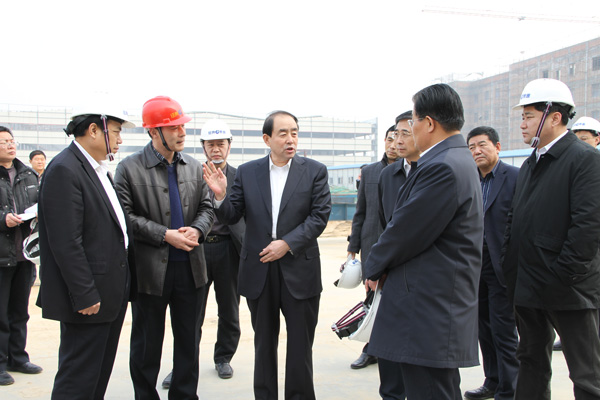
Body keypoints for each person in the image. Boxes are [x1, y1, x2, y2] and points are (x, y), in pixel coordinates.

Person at [365, 84, 483, 400]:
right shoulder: (454, 158)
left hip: (428, 306)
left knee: (430, 391)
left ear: (429, 123)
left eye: (414, 121)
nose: (410, 129)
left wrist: (372, 267)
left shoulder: (442, 166)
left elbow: (404, 230)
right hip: (433, 302)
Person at [203, 110, 331, 400]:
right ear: (267, 138)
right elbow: (232, 214)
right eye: (283, 133)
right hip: (260, 267)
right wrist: (220, 195)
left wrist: (287, 243)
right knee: (263, 345)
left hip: (300, 268)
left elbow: (319, 216)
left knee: (300, 346)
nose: (290, 139)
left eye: (294, 133)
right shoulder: (248, 172)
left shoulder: (315, 171)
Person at [502, 78, 600, 400]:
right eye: (522, 117)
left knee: (587, 374)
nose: (522, 124)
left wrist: (563, 276)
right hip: (527, 286)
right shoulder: (531, 163)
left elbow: (588, 226)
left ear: (555, 117)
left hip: (569, 289)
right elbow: (515, 219)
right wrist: (509, 265)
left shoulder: (585, 159)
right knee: (530, 363)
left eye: (529, 116)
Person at [114, 96, 214, 400]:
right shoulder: (129, 169)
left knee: (188, 342)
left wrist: (197, 229)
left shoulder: (194, 167)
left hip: (191, 270)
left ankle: (185, 395)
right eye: (173, 128)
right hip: (150, 272)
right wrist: (164, 235)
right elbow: (124, 217)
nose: (182, 133)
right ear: (153, 131)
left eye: (182, 126)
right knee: (146, 344)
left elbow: (208, 207)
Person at [37, 107, 136, 399]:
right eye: (116, 132)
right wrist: (84, 294)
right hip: (89, 298)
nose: (120, 140)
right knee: (78, 379)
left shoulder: (96, 169)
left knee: (97, 375)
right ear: (94, 130)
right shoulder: (65, 170)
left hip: (109, 293)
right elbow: (66, 242)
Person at [161, 119, 245, 388]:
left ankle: (223, 357)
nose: (216, 149)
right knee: (190, 311)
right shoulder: (189, 173)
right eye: (211, 144)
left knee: (229, 308)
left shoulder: (241, 177)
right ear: (203, 147)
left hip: (228, 249)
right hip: (196, 248)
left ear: (229, 146)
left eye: (221, 144)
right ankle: (183, 366)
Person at [464, 126, 519, 400]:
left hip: (502, 265)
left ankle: (510, 389)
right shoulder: (468, 180)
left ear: (497, 147)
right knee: (483, 328)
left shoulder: (515, 177)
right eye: (472, 147)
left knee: (503, 330)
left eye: (482, 145)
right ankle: (492, 381)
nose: (477, 151)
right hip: (474, 265)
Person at [373, 110, 417, 399]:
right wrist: (375, 268)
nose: (398, 140)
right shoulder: (387, 175)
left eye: (405, 134)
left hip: (421, 276)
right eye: (395, 134)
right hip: (390, 273)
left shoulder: (435, 172)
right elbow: (383, 224)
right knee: (387, 346)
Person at [347, 124, 398, 369]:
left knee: (395, 300)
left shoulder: (413, 171)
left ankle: (392, 350)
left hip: (398, 250)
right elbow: (361, 212)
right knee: (371, 300)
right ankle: (371, 349)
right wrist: (353, 247)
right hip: (371, 245)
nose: (393, 144)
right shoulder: (370, 172)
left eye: (398, 138)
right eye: (389, 139)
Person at [553, 115, 600, 352]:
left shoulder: (592, 164)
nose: (580, 143)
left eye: (585, 139)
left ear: (597, 139)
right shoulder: (572, 164)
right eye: (577, 138)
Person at [0, 126, 41, 387]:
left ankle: (18, 357)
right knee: (0, 314)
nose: (10, 145)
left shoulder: (28, 174)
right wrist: (2, 219)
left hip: (23, 255)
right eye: (3, 142)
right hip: (1, 256)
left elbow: (40, 202)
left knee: (19, 311)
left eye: (11, 140)